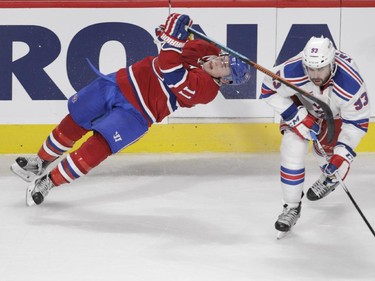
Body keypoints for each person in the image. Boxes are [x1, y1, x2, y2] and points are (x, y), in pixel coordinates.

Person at [11, 13, 251, 206]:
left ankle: (48, 182)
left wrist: (173, 41)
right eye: (225, 59)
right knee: (76, 119)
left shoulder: (206, 90)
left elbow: (170, 70)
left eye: (225, 68)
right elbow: (168, 44)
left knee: (97, 148)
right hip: (119, 82)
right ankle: (40, 161)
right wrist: (170, 31)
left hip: (138, 113)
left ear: (226, 81)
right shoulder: (204, 49)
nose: (220, 62)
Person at [261, 36, 370, 234]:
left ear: (332, 63)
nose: (315, 74)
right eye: (310, 68)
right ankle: (291, 207)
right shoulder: (292, 70)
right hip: (303, 108)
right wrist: (295, 115)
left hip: (334, 114)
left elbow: (357, 123)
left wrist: (342, 152)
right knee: (291, 148)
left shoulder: (350, 84)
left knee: (331, 161)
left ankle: (330, 177)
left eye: (321, 68)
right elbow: (268, 90)